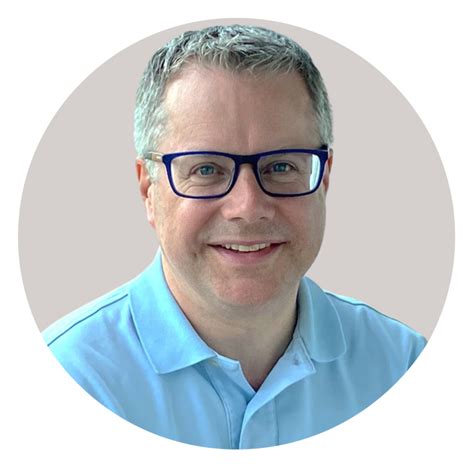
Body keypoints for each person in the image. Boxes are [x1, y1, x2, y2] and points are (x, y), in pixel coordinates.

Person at [43, 24, 427, 449]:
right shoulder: (64, 381)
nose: (247, 206)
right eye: (206, 169)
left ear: (324, 179)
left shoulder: (404, 368)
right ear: (148, 189)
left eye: (281, 166)